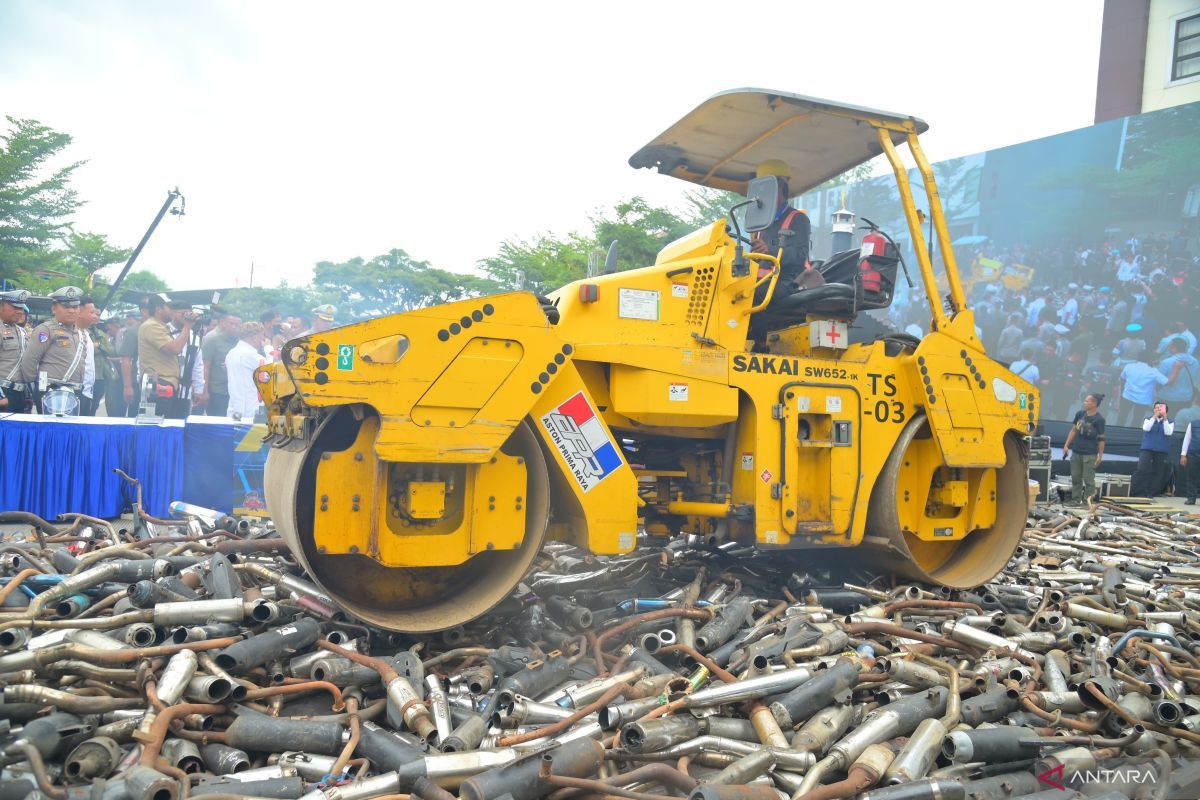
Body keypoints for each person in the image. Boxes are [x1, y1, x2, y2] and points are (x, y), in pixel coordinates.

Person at [748, 160, 821, 297]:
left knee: (749, 295)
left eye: (765, 187)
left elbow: (799, 257)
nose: (761, 193)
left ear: (780, 186)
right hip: (762, 282)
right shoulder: (760, 223)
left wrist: (770, 250)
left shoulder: (798, 219)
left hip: (789, 284)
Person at [18, 286, 85, 413]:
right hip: (52, 392)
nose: (71, 311)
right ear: (54, 308)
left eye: (75, 307)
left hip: (75, 391)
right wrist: (36, 389)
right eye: (66, 307)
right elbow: (29, 361)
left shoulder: (79, 333)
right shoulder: (46, 330)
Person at [137, 295, 196, 419]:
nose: (173, 312)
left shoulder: (158, 325)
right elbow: (175, 348)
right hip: (158, 384)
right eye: (170, 308)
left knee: (166, 424)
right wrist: (187, 326)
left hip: (163, 383)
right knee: (158, 426)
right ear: (159, 309)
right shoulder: (152, 326)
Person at [1062, 393, 1106, 504]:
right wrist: (1066, 445)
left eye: (1087, 401)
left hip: (1090, 454)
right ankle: (1075, 499)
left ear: (1094, 403)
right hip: (1076, 451)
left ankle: (1088, 502)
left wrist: (1100, 455)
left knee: (1088, 479)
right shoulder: (1080, 414)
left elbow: (1101, 438)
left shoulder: (1099, 419)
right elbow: (1073, 430)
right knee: (1075, 478)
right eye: (1085, 401)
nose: (1084, 403)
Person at [225, 321, 269, 420]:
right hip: (249, 410)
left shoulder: (231, 353)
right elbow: (270, 373)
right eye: (262, 336)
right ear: (254, 338)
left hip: (234, 408)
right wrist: (268, 348)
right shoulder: (250, 355)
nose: (264, 339)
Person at [1130, 402, 1175, 498]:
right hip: (1147, 448)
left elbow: (1168, 432)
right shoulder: (1148, 419)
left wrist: (1165, 418)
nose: (1158, 410)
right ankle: (1136, 491)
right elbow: (1146, 428)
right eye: (1156, 408)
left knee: (1157, 472)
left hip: (1161, 450)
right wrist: (1154, 417)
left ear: (1165, 411)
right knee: (1142, 469)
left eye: (1161, 408)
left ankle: (1151, 492)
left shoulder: (1170, 421)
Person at [201, 312, 241, 416]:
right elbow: (205, 366)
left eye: (237, 325)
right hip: (217, 391)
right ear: (222, 322)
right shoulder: (211, 338)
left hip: (234, 390)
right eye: (231, 324)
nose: (234, 327)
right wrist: (204, 391)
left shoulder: (239, 339)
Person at [0, 289, 31, 412]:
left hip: (20, 394)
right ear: (1, 306)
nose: (19, 311)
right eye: (15, 307)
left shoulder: (21, 331)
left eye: (21, 308)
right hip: (4, 392)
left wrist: (28, 394)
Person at [117, 301, 150, 416]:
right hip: (138, 382)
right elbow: (125, 360)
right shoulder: (133, 331)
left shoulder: (163, 329)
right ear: (143, 311)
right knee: (136, 415)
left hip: (157, 382)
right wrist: (128, 386)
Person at [1118, 356, 1168, 427]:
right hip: (1143, 399)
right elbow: (1165, 382)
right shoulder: (1153, 371)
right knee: (1137, 419)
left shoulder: (1129, 366)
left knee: (1122, 416)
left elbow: (1123, 377)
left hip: (1128, 395)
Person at [1158, 337, 1199, 406]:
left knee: (1164, 416)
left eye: (1169, 346)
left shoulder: (1166, 362)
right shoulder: (1195, 362)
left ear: (1174, 348)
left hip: (1167, 397)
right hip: (1187, 397)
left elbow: (1160, 381)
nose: (1168, 348)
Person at [1182, 418, 1200, 505]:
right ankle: (1191, 498)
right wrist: (1183, 454)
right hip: (1193, 454)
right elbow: (1187, 439)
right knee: (1192, 476)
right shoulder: (1193, 424)